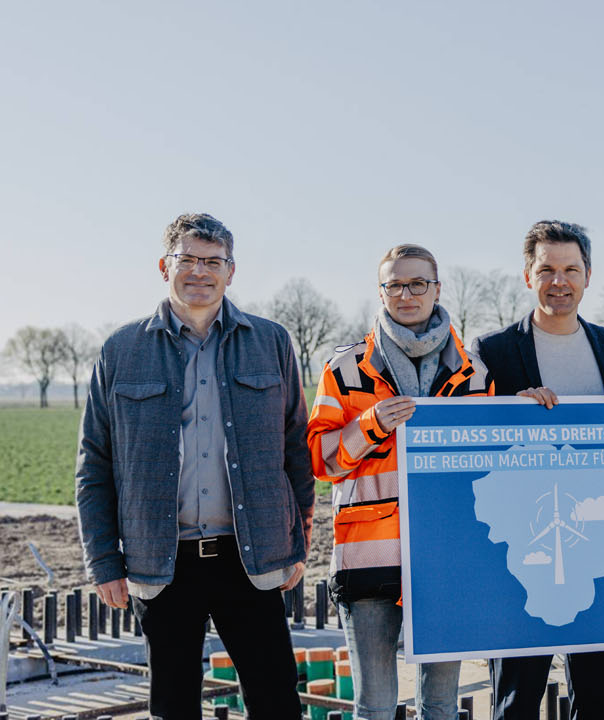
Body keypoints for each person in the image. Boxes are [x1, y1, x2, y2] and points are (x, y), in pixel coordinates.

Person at [75, 212, 313, 720]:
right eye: (188, 260)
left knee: (276, 703)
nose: (200, 272)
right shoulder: (122, 350)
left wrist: (299, 543)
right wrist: (103, 561)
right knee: (173, 707)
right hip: (161, 560)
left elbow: (297, 449)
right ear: (165, 266)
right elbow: (93, 463)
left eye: (213, 262)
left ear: (231, 271)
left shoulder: (271, 342)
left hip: (252, 558)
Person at [471, 220, 604, 720]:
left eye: (570, 269)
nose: (559, 281)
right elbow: (470, 434)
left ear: (588, 275)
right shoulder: (492, 351)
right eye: (547, 269)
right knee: (516, 697)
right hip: (523, 545)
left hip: (594, 545)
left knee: (598, 696)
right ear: (527, 276)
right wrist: (508, 408)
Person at [308, 244, 491, 720]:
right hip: (369, 555)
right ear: (381, 291)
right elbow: (321, 461)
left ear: (436, 288)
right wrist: (368, 426)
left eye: (417, 284)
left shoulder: (475, 373)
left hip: (449, 557)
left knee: (441, 705)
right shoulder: (344, 369)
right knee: (374, 705)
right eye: (395, 285)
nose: (406, 294)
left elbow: (493, 463)